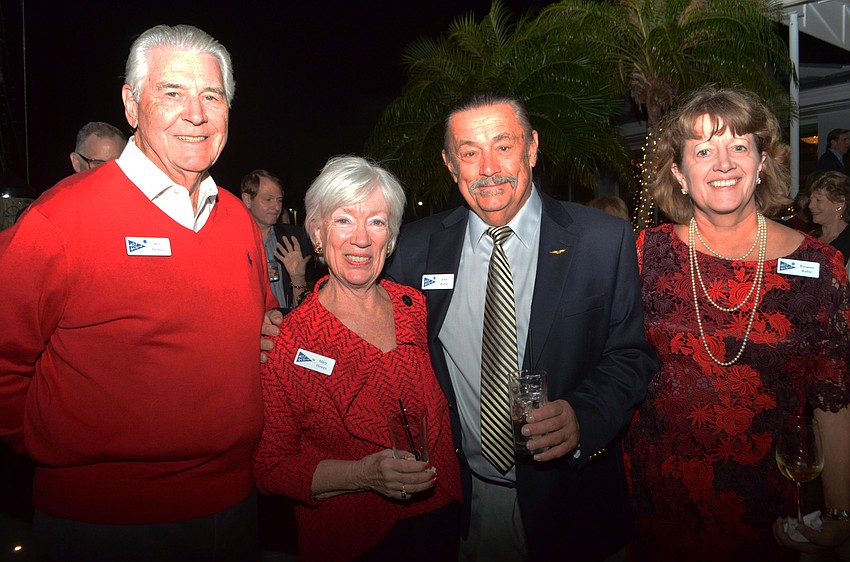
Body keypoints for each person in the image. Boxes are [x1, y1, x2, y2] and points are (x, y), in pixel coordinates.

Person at [0, 24, 277, 561]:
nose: (195, 114)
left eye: (212, 96)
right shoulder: (60, 219)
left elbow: (258, 325)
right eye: (172, 92)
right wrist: (49, 447)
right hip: (102, 524)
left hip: (235, 507)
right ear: (131, 104)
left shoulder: (238, 220)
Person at [383, 91, 658, 561]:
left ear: (531, 148)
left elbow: (631, 355)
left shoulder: (601, 240)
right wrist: (283, 333)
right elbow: (379, 336)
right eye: (470, 153)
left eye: (503, 146)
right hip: (467, 504)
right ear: (451, 165)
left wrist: (582, 415)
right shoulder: (415, 248)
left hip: (573, 501)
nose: (488, 168)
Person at [628, 86, 850, 561]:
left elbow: (833, 401)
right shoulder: (643, 255)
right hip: (658, 501)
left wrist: (838, 512)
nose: (724, 163)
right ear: (679, 174)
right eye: (703, 151)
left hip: (771, 507)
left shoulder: (821, 267)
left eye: (739, 146)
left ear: (762, 162)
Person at [254, 156, 462, 562]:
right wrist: (363, 475)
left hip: (441, 518)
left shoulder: (417, 308)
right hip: (351, 536)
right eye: (344, 220)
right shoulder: (289, 340)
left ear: (391, 237)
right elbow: (271, 467)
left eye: (377, 222)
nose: (362, 239)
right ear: (318, 232)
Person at [241, 169, 316, 310]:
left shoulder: (295, 239)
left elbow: (309, 304)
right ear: (247, 200)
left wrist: (298, 278)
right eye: (268, 199)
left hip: (291, 320)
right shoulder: (232, 243)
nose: (276, 207)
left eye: (279, 200)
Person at [808, 171, 850, 269]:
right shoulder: (810, 237)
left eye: (818, 200)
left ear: (840, 202)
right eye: (810, 200)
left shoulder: (847, 240)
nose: (810, 206)